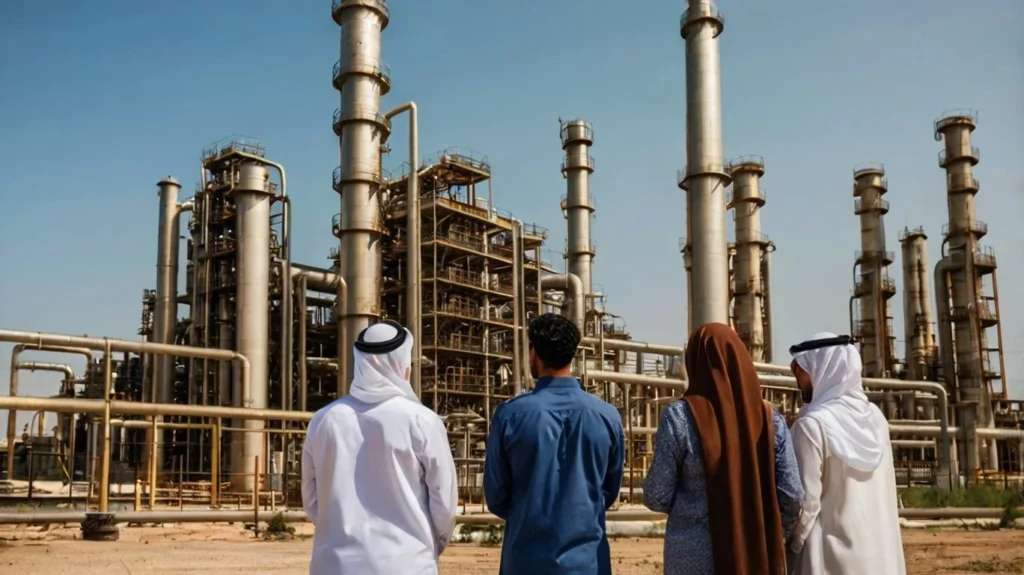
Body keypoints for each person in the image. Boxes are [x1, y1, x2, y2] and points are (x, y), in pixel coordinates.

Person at [643, 322, 804, 575]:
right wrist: (768, 533)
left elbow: (656, 495)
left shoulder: (679, 417)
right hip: (754, 554)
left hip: (691, 557)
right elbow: (793, 495)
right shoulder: (770, 419)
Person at [301, 320, 458, 575]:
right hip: (406, 564)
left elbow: (311, 500)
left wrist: (339, 534)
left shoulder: (323, 420)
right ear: (403, 363)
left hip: (333, 565)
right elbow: (444, 504)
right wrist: (427, 546)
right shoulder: (422, 421)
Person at [483, 313, 624, 575]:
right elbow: (609, 490)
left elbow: (496, 496)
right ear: (572, 355)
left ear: (534, 353)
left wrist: (529, 513)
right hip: (587, 563)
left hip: (526, 562)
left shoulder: (510, 415)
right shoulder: (607, 416)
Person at [787, 332, 906, 575]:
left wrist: (791, 546)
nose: (797, 380)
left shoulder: (811, 426)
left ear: (822, 368)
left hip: (829, 560)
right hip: (882, 558)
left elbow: (803, 504)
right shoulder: (877, 420)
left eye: (800, 370)